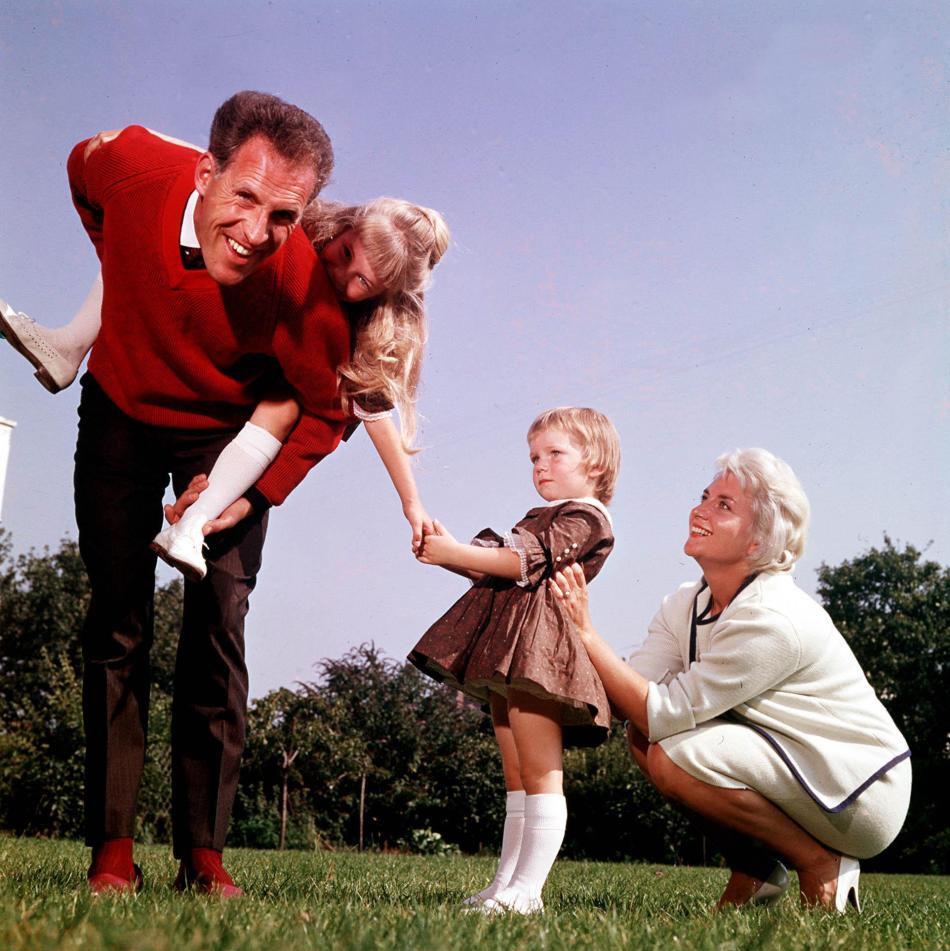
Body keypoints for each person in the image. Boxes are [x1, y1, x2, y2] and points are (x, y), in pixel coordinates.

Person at [5, 90, 353, 897]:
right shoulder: (130, 169)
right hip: (121, 411)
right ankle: (113, 849)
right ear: (204, 172)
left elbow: (329, 407)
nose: (259, 232)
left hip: (225, 440)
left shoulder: (298, 284)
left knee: (219, 623)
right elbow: (79, 169)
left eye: (285, 216)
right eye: (245, 198)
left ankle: (204, 852)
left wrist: (251, 489)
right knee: (117, 619)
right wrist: (117, 263)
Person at [1, 193, 449, 575]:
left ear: (384, 295)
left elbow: (373, 413)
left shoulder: (372, 328)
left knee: (286, 402)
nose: (342, 274)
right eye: (347, 253)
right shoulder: (300, 225)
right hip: (206, 347)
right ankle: (71, 342)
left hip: (252, 413)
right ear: (348, 226)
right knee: (163, 232)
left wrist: (411, 503)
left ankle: (191, 524)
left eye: (363, 283)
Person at [552, 448, 912, 912]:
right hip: (794, 765)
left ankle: (821, 862)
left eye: (724, 505)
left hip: (859, 792)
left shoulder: (773, 615)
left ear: (757, 543)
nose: (700, 510)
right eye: (705, 496)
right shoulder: (684, 603)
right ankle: (756, 869)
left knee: (670, 749)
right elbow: (631, 694)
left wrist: (584, 630)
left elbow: (662, 713)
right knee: (646, 740)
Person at [409, 407, 621, 914]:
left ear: (593, 462)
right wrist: (452, 550)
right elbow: (498, 571)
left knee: (541, 771)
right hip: (511, 648)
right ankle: (505, 886)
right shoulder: (539, 515)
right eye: (533, 457)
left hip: (539, 651)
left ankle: (528, 893)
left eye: (555, 454)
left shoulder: (586, 517)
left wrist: (454, 552)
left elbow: (517, 561)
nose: (540, 466)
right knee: (517, 774)